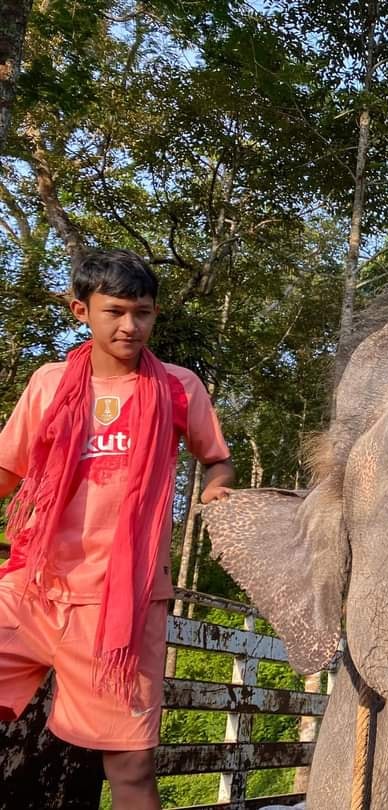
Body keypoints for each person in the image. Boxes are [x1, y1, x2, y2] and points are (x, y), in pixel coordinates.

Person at [0, 250, 235, 810]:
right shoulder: (48, 384)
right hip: (34, 587)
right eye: (115, 312)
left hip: (121, 606)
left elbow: (216, 459)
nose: (130, 326)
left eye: (143, 312)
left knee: (130, 768)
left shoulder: (179, 389)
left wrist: (217, 488)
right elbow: (8, 471)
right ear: (81, 310)